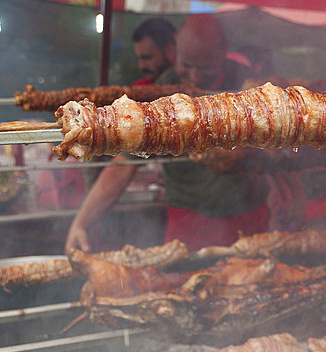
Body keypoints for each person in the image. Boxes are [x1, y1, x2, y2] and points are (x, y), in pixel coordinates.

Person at [64, 14, 268, 253]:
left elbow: (279, 145)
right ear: (176, 46)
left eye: (206, 68)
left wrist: (293, 193)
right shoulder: (163, 93)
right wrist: (81, 223)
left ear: (224, 49)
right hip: (189, 222)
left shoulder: (248, 83)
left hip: (250, 215)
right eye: (186, 65)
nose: (194, 77)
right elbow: (123, 166)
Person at [130, 17, 177, 86]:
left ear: (170, 51)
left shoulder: (188, 90)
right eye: (139, 58)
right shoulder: (139, 88)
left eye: (147, 58)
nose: (141, 66)